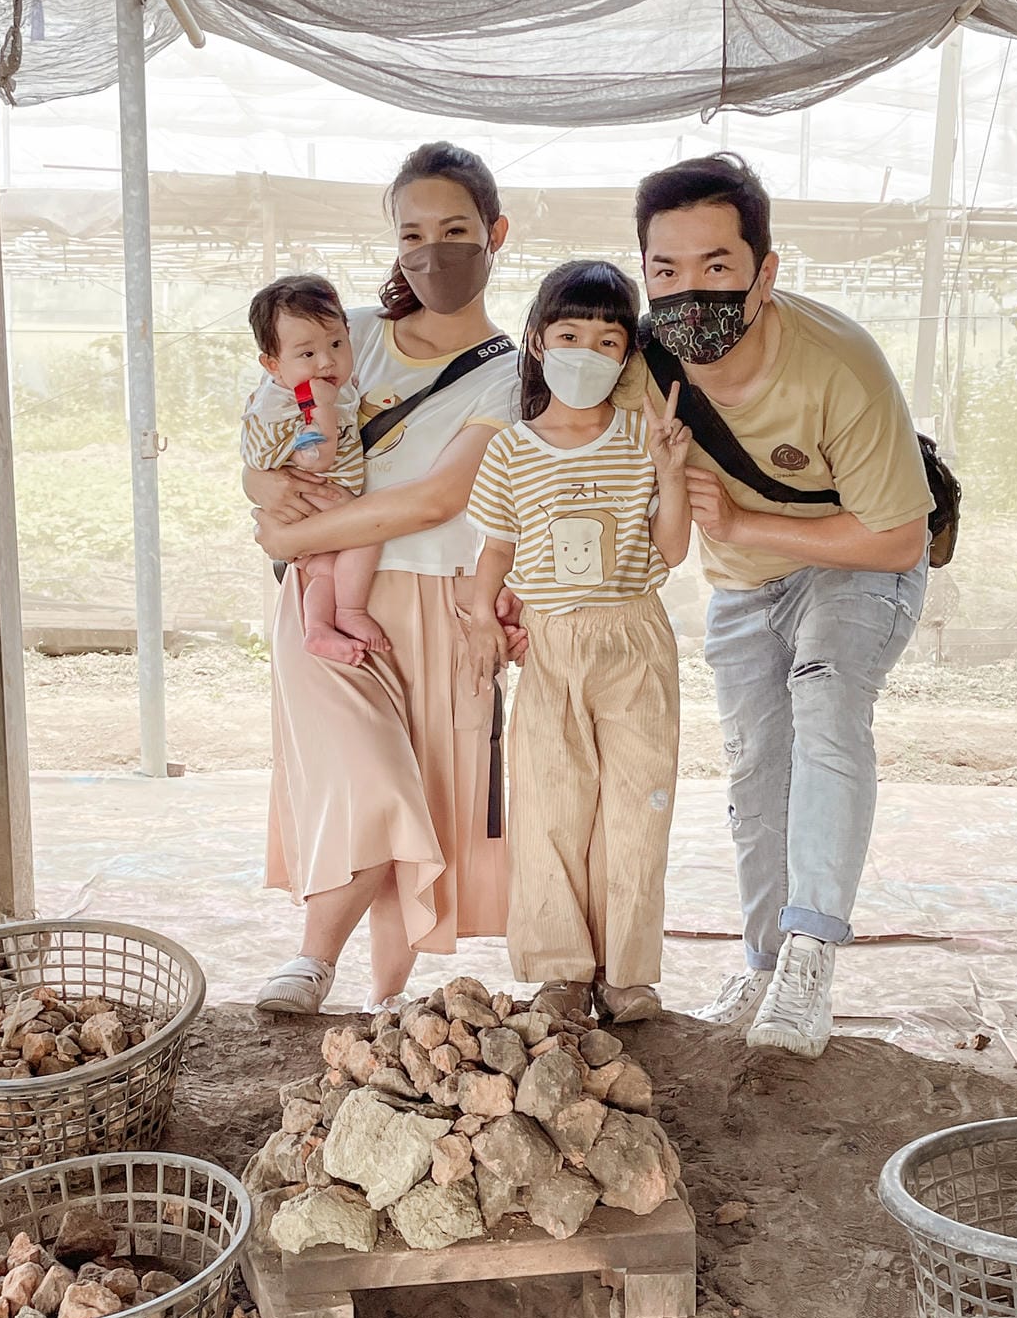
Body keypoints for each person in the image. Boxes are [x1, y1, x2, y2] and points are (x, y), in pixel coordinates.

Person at [631, 152, 932, 1058]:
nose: (691, 292)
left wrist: (754, 518)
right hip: (740, 584)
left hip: (856, 562)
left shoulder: (838, 363)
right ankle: (761, 961)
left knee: (827, 703)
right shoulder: (639, 361)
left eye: (717, 267)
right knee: (756, 768)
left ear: (765, 271)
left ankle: (810, 956)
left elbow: (898, 538)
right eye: (666, 271)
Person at [247, 142, 521, 1015]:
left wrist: (293, 529)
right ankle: (312, 960)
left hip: (440, 603)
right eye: (413, 231)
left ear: (494, 235)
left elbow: (439, 498)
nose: (431, 249)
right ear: (393, 240)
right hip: (327, 598)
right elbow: (261, 443)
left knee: (427, 796)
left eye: (454, 229)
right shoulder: (345, 333)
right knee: (371, 778)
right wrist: (267, 500)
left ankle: (385, 999)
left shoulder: (516, 374)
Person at [466, 260, 691, 1023]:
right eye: (569, 335)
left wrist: (670, 470)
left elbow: (674, 549)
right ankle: (561, 968)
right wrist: (480, 629)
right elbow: (491, 559)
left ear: (627, 355)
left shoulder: (643, 438)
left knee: (637, 805)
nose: (586, 353)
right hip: (551, 647)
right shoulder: (509, 451)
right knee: (552, 804)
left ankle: (628, 972)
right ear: (536, 341)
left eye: (607, 340)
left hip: (634, 638)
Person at [242, 273, 387, 665]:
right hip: (315, 500)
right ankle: (350, 611)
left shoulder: (313, 387)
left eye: (337, 344)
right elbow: (316, 458)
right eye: (307, 354)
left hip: (313, 508)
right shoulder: (293, 403)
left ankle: (319, 628)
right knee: (369, 534)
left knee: (324, 570)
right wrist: (322, 410)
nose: (326, 361)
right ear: (273, 365)